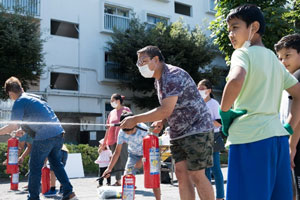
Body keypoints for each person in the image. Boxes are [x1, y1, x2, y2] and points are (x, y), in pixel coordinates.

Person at [220, 5, 300, 200]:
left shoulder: (242, 53)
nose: (231, 34)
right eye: (229, 29)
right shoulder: (274, 60)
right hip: (278, 141)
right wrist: (290, 124)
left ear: (253, 27)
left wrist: (224, 112)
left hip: (250, 138)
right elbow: (299, 94)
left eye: (235, 27)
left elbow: (236, 79)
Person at [120, 45, 215, 200]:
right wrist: (161, 120)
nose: (140, 66)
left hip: (197, 129)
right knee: (181, 173)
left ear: (156, 59)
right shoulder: (159, 80)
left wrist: (135, 119)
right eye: (138, 63)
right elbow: (171, 107)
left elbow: (166, 109)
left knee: (196, 174)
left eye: (143, 61)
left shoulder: (172, 75)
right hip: (179, 133)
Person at [0, 76, 77, 200]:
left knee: (35, 167)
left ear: (10, 93)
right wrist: (22, 130)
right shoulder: (34, 98)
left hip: (44, 136)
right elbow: (37, 117)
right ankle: (69, 193)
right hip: (58, 133)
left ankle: (33, 197)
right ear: (22, 88)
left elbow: (12, 125)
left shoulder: (19, 101)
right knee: (56, 164)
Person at [103, 112, 161, 200]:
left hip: (149, 155)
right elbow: (117, 152)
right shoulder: (121, 133)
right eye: (125, 131)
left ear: (135, 125)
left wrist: (142, 159)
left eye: (130, 130)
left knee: (153, 178)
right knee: (127, 177)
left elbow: (152, 147)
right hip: (133, 155)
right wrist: (109, 168)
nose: (128, 133)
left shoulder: (144, 129)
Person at [275, 33, 300, 200]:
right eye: (280, 57)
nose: (283, 61)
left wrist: (291, 146)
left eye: (288, 55)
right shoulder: (290, 78)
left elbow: (298, 116)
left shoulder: (297, 77)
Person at [198, 79, 225, 200]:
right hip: (200, 138)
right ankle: (208, 196)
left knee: (215, 169)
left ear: (209, 90)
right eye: (198, 88)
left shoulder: (214, 104)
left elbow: (219, 122)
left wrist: (206, 121)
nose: (199, 91)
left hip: (213, 137)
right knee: (205, 170)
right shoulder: (198, 103)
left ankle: (220, 196)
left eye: (202, 88)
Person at [102, 93, 130, 186]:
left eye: (112, 100)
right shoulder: (111, 112)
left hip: (123, 139)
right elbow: (108, 128)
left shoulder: (126, 110)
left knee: (125, 159)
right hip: (112, 139)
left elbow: (131, 124)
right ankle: (118, 181)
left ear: (118, 101)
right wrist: (104, 142)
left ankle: (129, 179)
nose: (111, 102)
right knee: (115, 161)